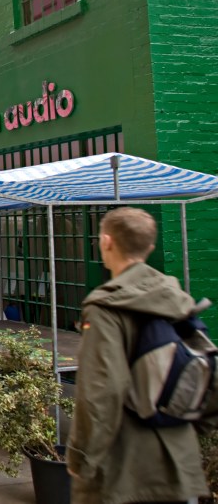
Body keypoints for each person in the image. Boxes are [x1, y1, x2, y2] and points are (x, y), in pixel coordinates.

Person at [67, 208, 208, 504]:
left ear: (106, 241)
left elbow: (101, 391)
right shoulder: (177, 298)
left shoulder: (105, 306)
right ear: (150, 247)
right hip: (180, 460)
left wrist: (80, 457)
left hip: (125, 466)